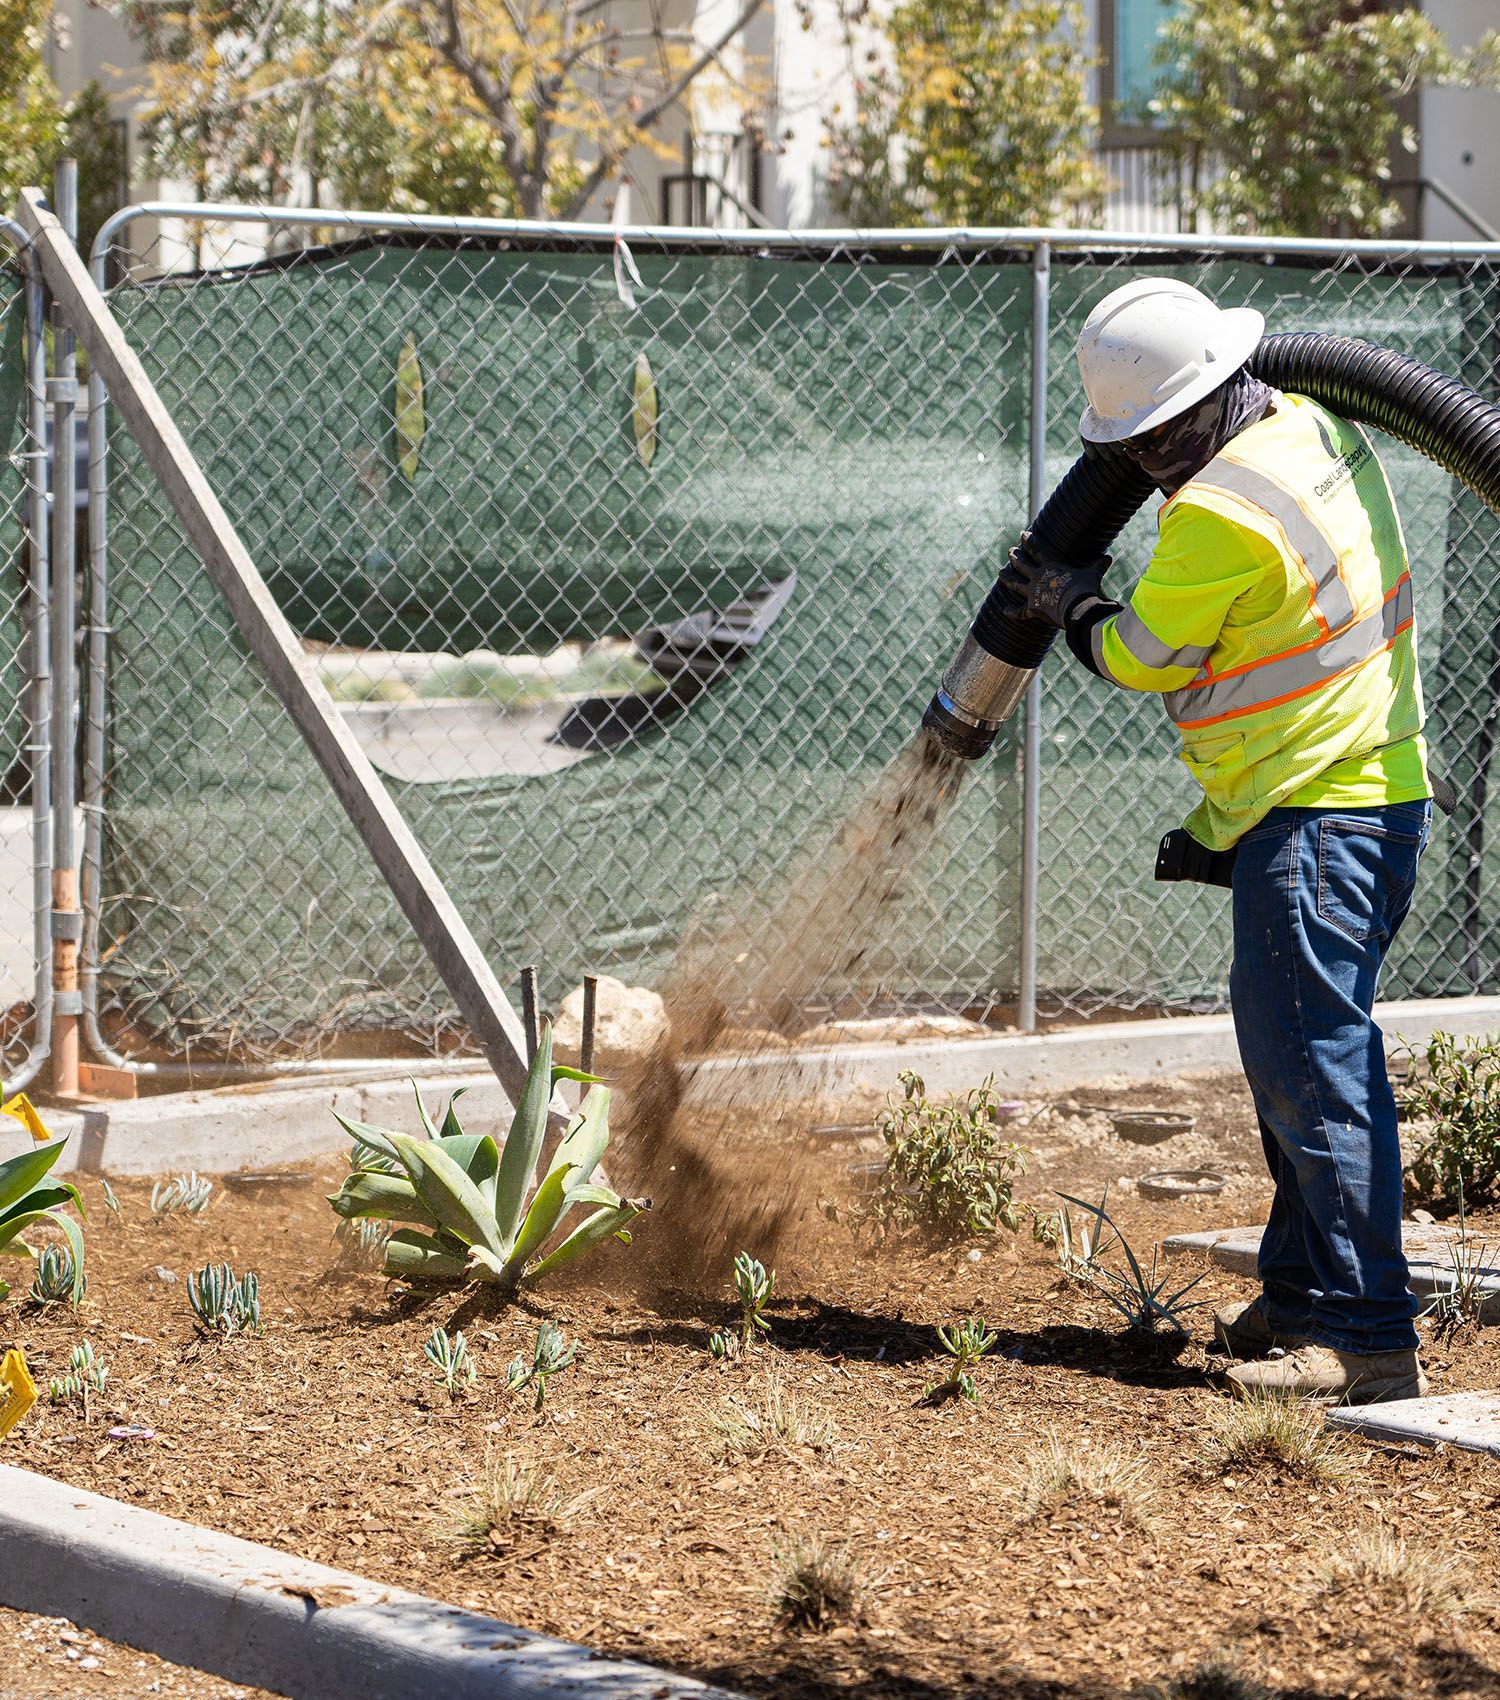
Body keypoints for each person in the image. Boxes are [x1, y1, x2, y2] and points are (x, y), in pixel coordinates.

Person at [1002, 277, 1432, 1404]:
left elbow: (1146, 655)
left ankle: (1364, 1335)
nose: (1144, 467)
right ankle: (1299, 1298)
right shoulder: (1314, 425)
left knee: (1317, 1072)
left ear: (1196, 409)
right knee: (1295, 1059)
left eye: (1153, 443)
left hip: (1317, 814)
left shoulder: (1215, 513)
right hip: (1363, 797)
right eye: (1130, 449)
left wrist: (1071, 601)